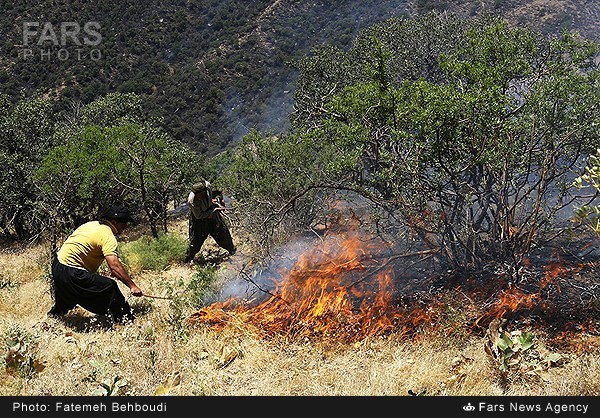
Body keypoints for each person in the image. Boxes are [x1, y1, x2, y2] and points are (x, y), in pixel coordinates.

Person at [48, 205, 143, 322]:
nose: (125, 226)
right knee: (110, 287)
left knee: (67, 293)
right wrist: (132, 286)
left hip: (57, 266)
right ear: (114, 221)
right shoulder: (107, 235)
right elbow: (114, 266)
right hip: (72, 271)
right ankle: (125, 319)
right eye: (124, 223)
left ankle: (54, 316)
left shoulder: (92, 225)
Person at [184, 180, 236, 263]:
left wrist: (219, 199)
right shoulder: (192, 200)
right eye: (196, 194)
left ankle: (233, 252)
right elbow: (199, 215)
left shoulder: (207, 186)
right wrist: (214, 211)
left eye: (199, 194)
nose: (197, 196)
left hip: (212, 214)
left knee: (223, 234)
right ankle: (187, 260)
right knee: (195, 241)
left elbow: (217, 192)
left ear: (204, 191)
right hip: (199, 221)